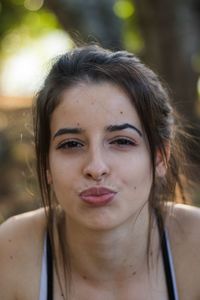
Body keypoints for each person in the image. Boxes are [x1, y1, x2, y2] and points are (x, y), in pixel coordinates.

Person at [0, 45, 200, 300]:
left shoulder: (196, 247)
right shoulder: (11, 251)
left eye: (122, 141)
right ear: (46, 163)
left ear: (160, 156)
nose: (96, 168)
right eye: (71, 144)